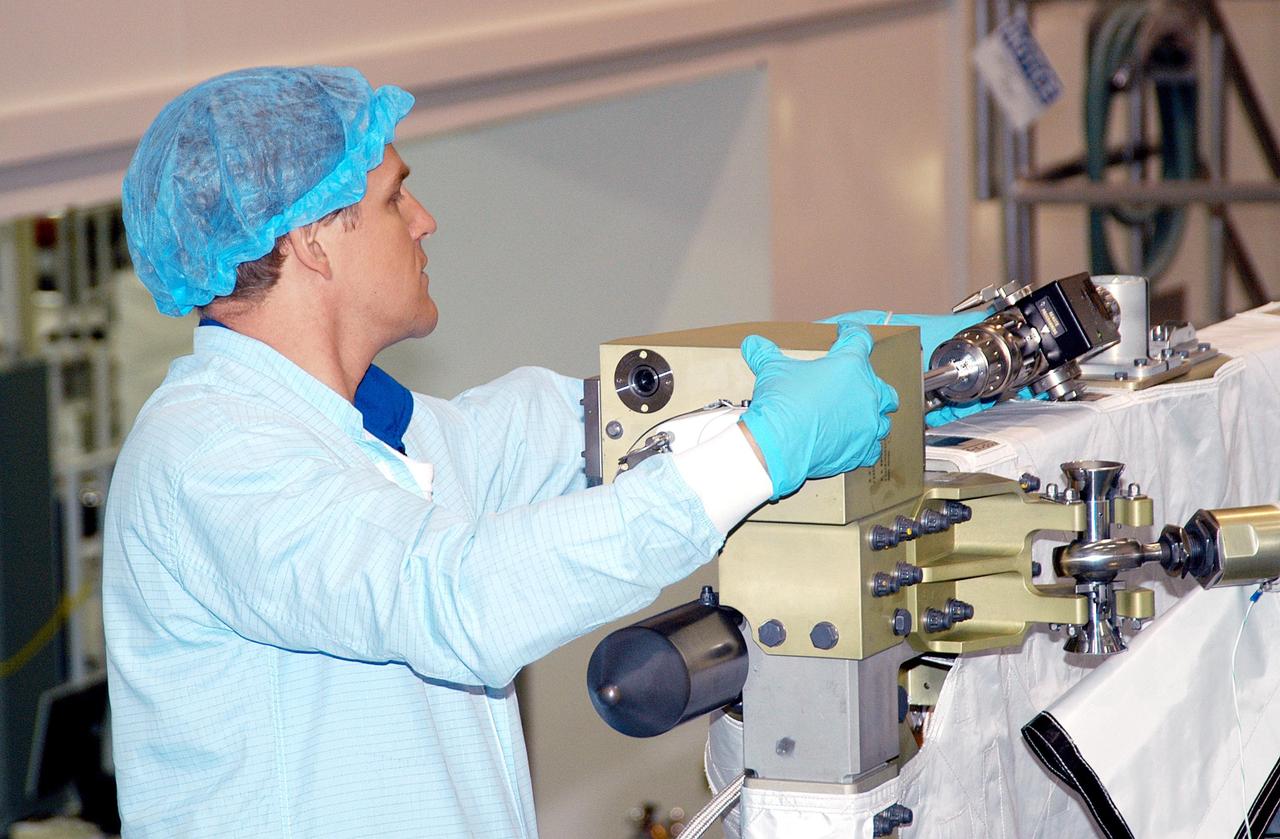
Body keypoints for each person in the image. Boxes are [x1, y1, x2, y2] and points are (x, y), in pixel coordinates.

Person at [101, 65, 971, 838]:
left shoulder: (381, 432)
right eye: (396, 196)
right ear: (311, 240)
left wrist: (872, 356)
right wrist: (763, 450)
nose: (426, 220)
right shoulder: (208, 454)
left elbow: (589, 423)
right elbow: (455, 599)